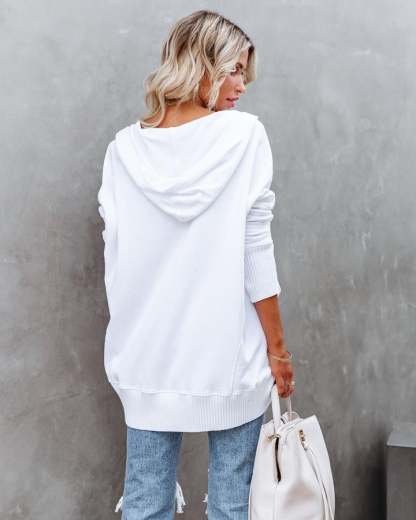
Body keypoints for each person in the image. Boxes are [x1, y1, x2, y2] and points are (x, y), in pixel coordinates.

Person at [97, 9, 295, 520]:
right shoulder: (244, 137)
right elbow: (256, 251)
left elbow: (116, 261)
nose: (242, 86)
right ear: (201, 65)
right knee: (232, 504)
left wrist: (130, 341)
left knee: (145, 501)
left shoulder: (123, 150)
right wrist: (277, 350)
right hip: (229, 356)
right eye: (234, 71)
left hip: (146, 358)